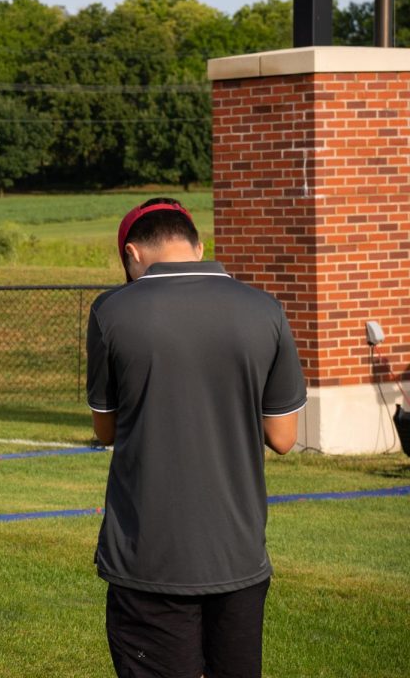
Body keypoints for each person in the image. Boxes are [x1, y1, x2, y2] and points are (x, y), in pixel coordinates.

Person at [85, 197, 306, 678]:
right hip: (238, 551)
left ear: (132, 255)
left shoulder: (111, 312)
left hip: (149, 554)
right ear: (197, 246)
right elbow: (283, 436)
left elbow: (105, 429)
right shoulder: (265, 309)